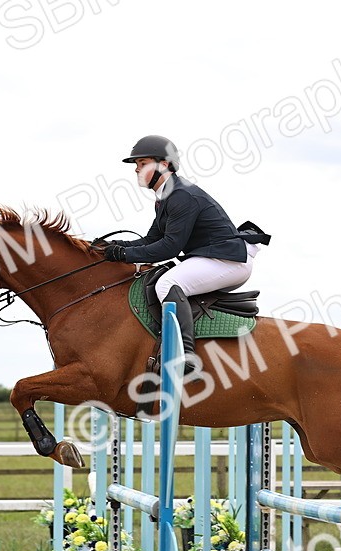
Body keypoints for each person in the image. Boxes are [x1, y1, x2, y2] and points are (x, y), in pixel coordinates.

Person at [96, 135, 269, 374]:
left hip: (228, 261)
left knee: (168, 282)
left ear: (164, 164)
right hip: (211, 258)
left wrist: (124, 254)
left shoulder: (181, 196)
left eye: (143, 163)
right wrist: (110, 246)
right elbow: (150, 240)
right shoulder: (166, 197)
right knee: (164, 279)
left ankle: (186, 356)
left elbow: (168, 248)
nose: (136, 169)